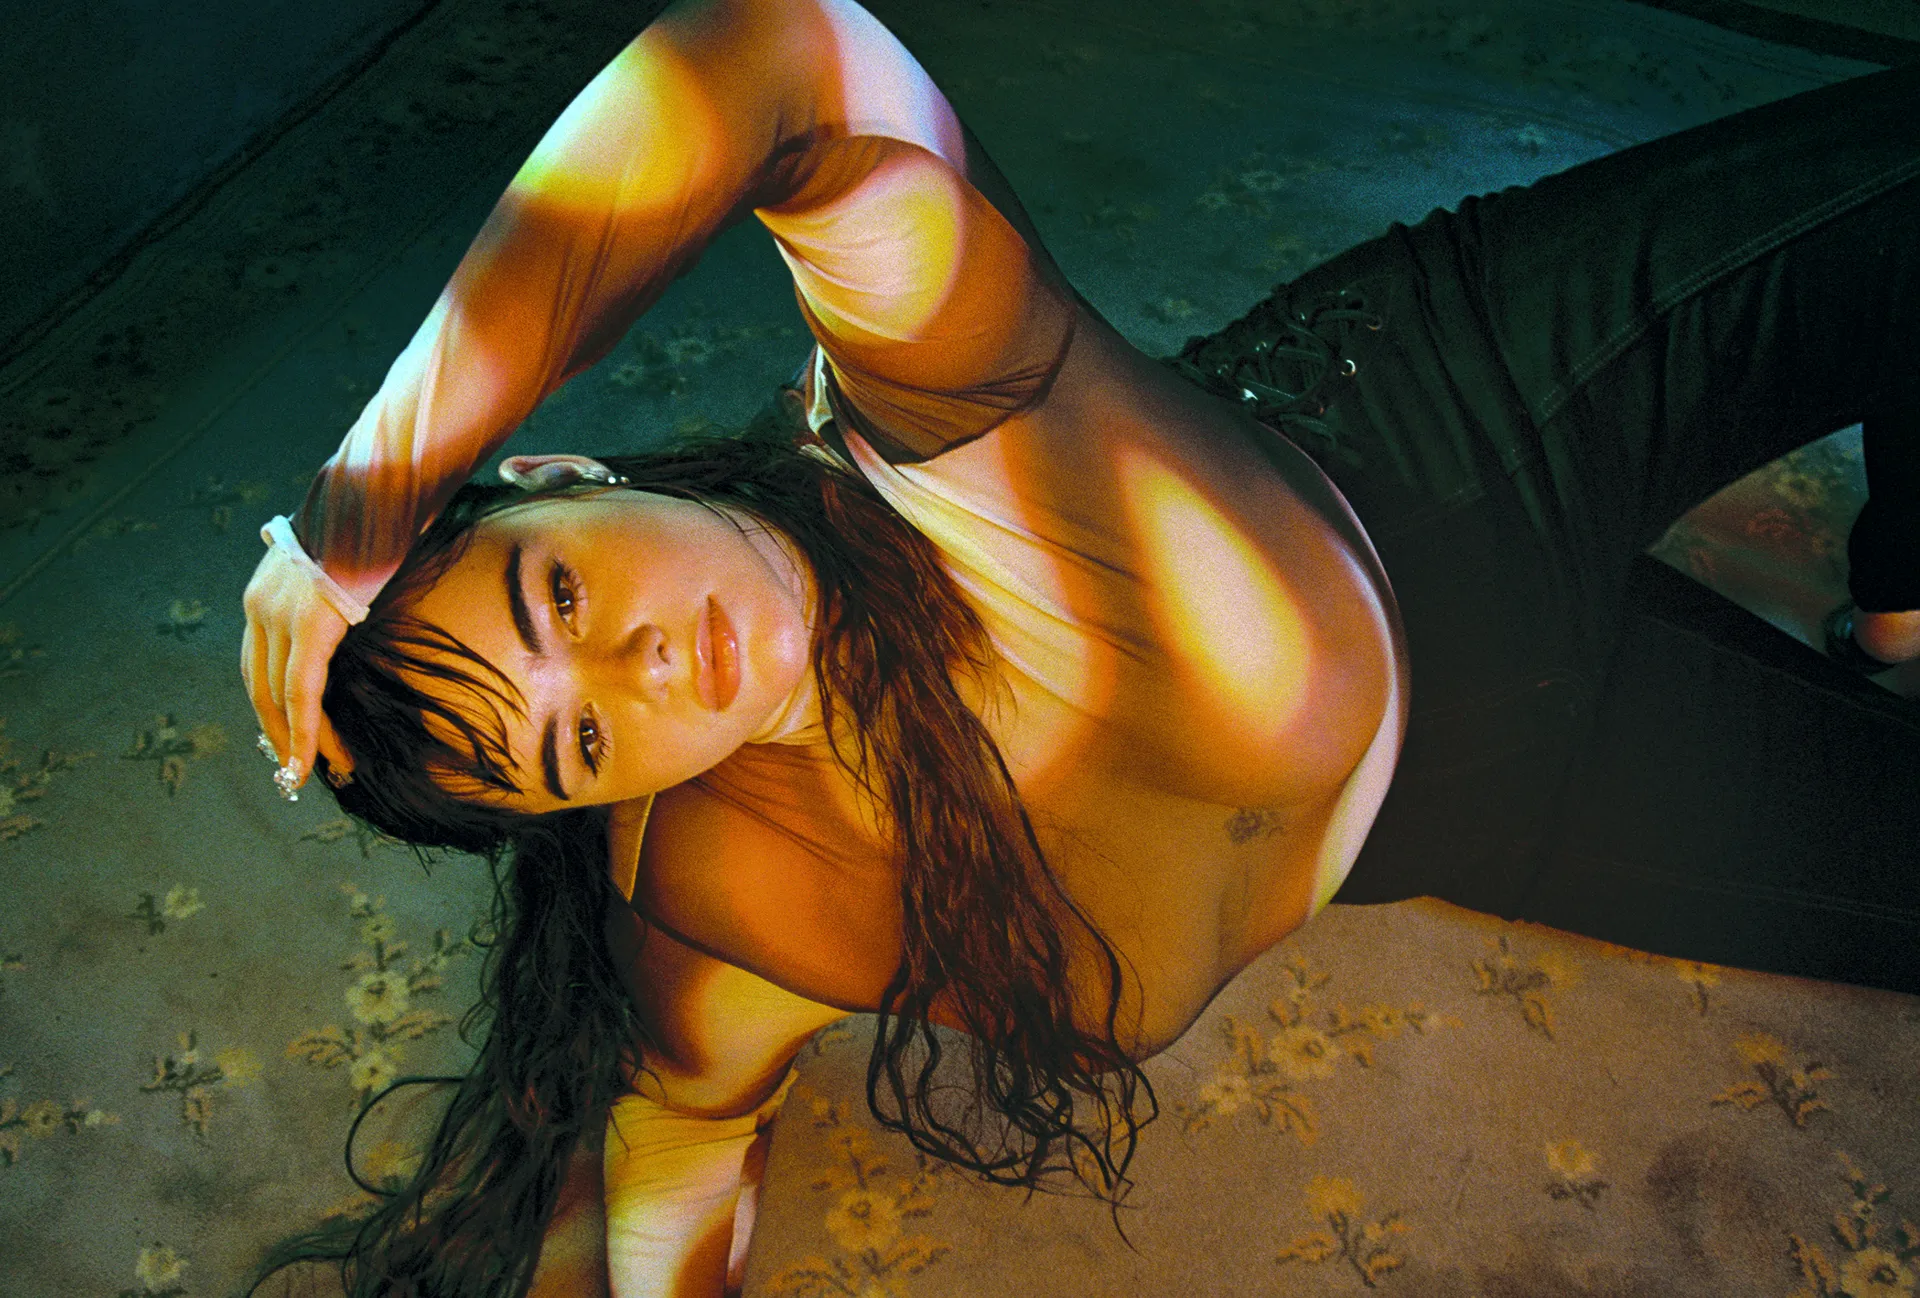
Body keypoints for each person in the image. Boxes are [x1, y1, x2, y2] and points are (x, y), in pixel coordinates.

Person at [240, 0, 1920, 1292]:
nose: (648, 668)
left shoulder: (947, 416)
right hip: (1484, 793)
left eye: (558, 599)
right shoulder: (734, 890)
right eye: (581, 741)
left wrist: (356, 513)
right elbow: (679, 1127)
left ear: (557, 476)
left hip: (1464, 411)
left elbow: (776, 58)